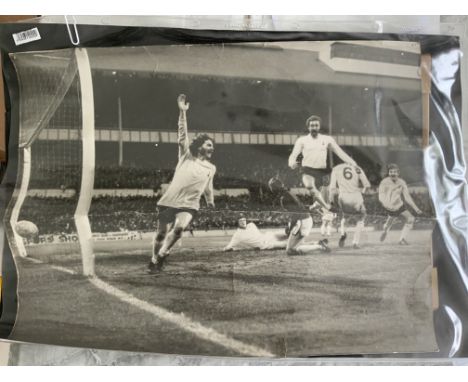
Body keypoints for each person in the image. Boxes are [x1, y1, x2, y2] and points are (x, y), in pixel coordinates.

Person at [148, 94, 216, 273]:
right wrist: (182, 112)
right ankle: (154, 258)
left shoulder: (211, 167)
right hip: (169, 200)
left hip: (190, 204)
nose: (212, 148)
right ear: (200, 145)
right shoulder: (186, 156)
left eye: (212, 146)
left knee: (178, 229)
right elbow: (182, 135)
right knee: (161, 233)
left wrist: (210, 202)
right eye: (209, 145)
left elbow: (208, 188)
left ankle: (162, 254)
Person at [288, 115, 357, 209]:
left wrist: (353, 163)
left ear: (319, 127)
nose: (314, 128)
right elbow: (294, 154)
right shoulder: (302, 140)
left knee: (323, 199)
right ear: (308, 127)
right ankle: (325, 206)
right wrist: (291, 163)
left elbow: (340, 152)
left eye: (316, 125)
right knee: (310, 187)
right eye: (312, 125)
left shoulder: (327, 139)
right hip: (307, 170)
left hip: (323, 171)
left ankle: (318, 206)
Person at [268, 176, 330, 256]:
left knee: (290, 250)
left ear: (274, 188)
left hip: (301, 221)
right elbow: (290, 209)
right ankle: (318, 243)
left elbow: (295, 214)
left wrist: (290, 227)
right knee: (299, 243)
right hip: (306, 219)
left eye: (271, 187)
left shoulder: (284, 198)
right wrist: (275, 216)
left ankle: (320, 247)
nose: (270, 189)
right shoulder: (287, 194)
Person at [329, 162, 371, 249]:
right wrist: (363, 192)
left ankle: (343, 233)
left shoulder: (336, 168)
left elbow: (332, 187)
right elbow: (367, 184)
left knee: (344, 217)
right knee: (362, 216)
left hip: (343, 196)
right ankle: (355, 242)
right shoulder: (357, 168)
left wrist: (331, 202)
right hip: (355, 196)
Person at [378, 163, 422, 245]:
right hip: (389, 206)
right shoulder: (384, 182)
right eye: (391, 172)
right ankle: (385, 231)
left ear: (398, 173)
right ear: (388, 173)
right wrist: (386, 204)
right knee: (389, 222)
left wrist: (416, 208)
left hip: (399, 205)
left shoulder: (402, 182)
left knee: (410, 219)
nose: (393, 173)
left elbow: (407, 197)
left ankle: (401, 239)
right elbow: (381, 196)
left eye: (395, 172)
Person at [223, 216, 288, 251]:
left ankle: (292, 232)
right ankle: (292, 239)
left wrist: (228, 248)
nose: (243, 223)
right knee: (284, 244)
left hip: (266, 237)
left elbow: (228, 247)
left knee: (280, 233)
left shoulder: (250, 225)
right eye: (241, 222)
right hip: (265, 244)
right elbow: (228, 247)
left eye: (244, 221)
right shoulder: (237, 235)